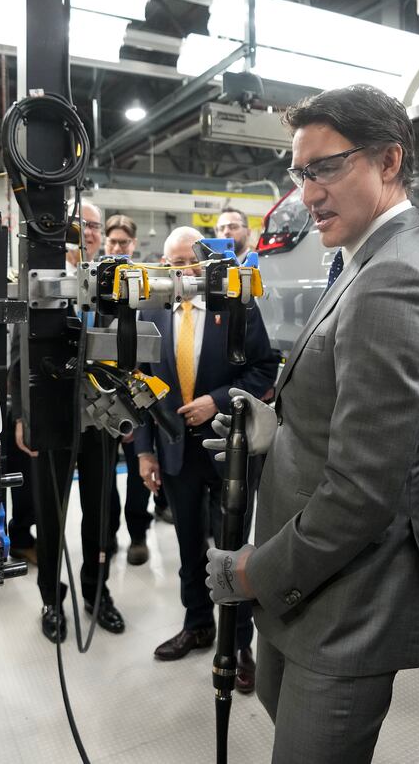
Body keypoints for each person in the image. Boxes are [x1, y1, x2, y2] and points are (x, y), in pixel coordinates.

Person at [204, 84, 419, 762]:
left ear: (389, 161)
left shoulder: (392, 279)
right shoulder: (359, 260)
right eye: (300, 172)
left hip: (343, 604)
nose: (307, 192)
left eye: (325, 168)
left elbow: (363, 493)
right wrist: (276, 424)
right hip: (309, 593)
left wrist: (254, 571)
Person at [135, 226, 278, 692]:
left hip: (229, 446)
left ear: (206, 263)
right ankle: (198, 624)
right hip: (174, 450)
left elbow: (263, 368)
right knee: (188, 546)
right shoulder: (151, 313)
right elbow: (138, 387)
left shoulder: (235, 303)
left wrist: (216, 400)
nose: (184, 272)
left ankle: (239, 646)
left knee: (231, 551)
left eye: (191, 262)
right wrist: (143, 452)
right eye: (174, 264)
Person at [13, 200, 127, 642]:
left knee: (100, 516)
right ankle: (50, 598)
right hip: (52, 418)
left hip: (102, 419)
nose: (92, 232)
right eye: (84, 225)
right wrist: (23, 415)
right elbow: (19, 353)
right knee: (51, 515)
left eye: (96, 226)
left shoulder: (118, 280)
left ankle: (97, 593)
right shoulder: (41, 280)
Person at [101, 214, 156, 566]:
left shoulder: (146, 288)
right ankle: (107, 536)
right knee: (104, 479)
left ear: (133, 245)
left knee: (138, 477)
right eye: (113, 242)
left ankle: (138, 535)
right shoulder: (97, 287)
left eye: (124, 242)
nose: (118, 247)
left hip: (137, 397)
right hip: (101, 397)